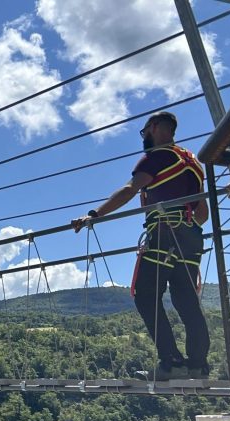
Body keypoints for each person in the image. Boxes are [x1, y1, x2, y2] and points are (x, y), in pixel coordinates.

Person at [71, 111, 210, 381]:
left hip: (164, 233)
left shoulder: (156, 156)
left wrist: (95, 214)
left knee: (145, 295)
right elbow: (202, 212)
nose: (143, 137)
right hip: (191, 237)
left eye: (144, 131)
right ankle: (198, 365)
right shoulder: (193, 163)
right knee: (186, 300)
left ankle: (171, 361)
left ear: (154, 127)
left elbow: (130, 188)